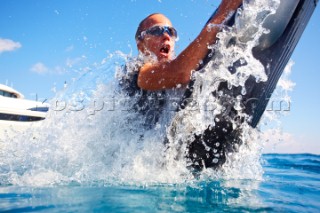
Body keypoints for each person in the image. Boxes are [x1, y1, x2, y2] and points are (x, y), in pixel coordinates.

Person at [119, 0, 243, 129]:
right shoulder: (134, 73)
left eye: (170, 32)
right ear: (141, 45)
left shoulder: (179, 76)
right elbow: (180, 72)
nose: (166, 36)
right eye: (157, 31)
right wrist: (224, 12)